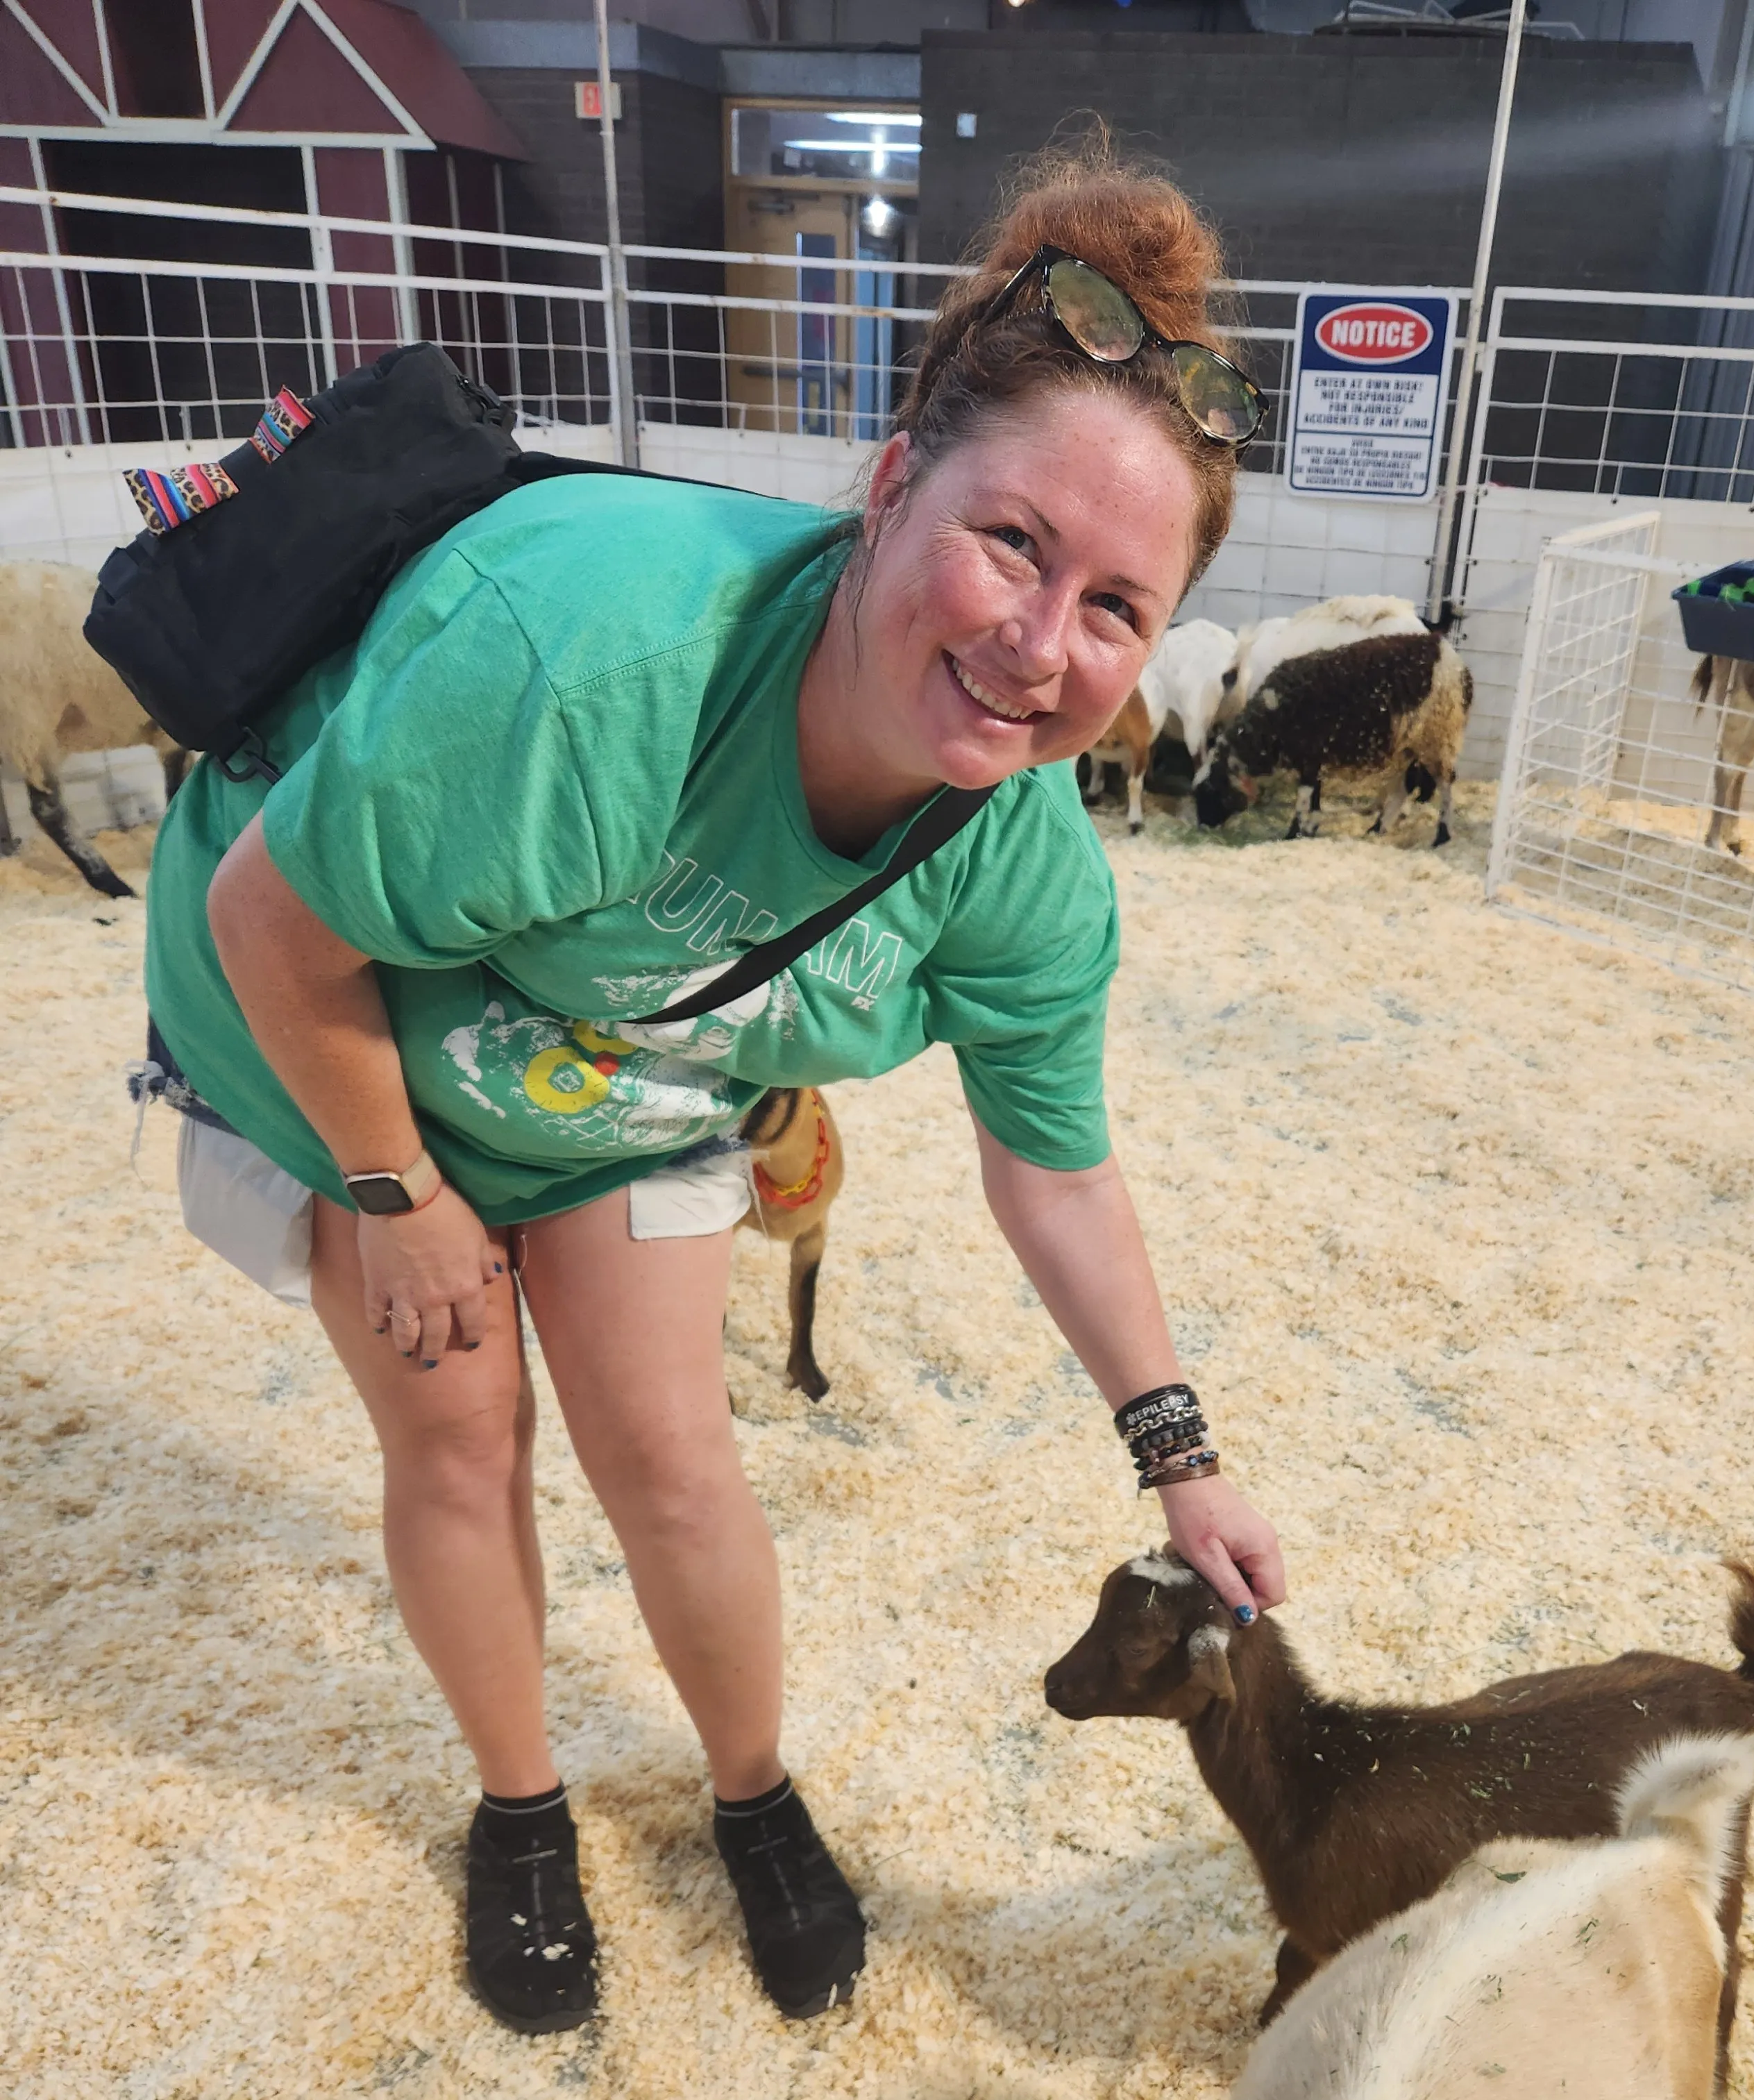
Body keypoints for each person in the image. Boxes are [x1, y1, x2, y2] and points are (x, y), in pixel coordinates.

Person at [140, 142, 1287, 2036]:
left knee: (670, 1454)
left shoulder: (1019, 868)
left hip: (623, 1063)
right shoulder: (593, 674)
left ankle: (752, 1790)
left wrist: (1179, 1454)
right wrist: (395, 1193)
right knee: (458, 1427)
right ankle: (522, 1813)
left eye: (1114, 606)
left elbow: (1059, 1178)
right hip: (335, 1032)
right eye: (1012, 541)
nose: (1037, 646)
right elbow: (279, 927)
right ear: (892, 485)